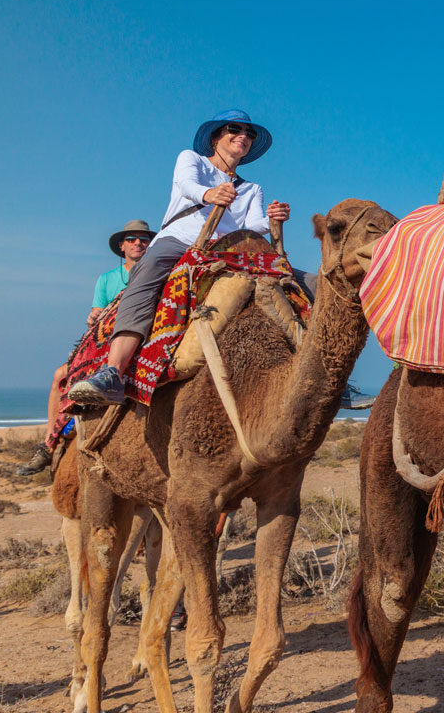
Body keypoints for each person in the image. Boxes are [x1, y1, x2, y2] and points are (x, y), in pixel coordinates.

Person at [66, 109, 290, 407]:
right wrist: (209, 194)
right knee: (145, 278)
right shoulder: (192, 159)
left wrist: (272, 219)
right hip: (180, 240)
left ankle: (319, 371)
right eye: (234, 129)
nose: (244, 136)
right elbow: (187, 185)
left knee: (298, 284)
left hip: (228, 250)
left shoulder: (252, 189)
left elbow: (251, 226)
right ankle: (113, 373)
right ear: (215, 137)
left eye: (249, 134)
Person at [16, 219, 156, 475]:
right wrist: (93, 318)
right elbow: (96, 315)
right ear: (122, 246)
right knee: (61, 375)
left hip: (147, 337)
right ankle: (49, 443)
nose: (138, 243)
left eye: (143, 239)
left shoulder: (158, 271)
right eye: (132, 239)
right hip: (107, 340)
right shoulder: (107, 279)